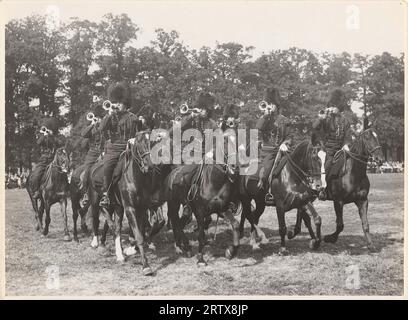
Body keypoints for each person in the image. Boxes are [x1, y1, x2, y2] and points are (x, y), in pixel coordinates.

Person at [98, 82, 146, 207]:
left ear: (125, 104)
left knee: (147, 163)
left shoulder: (133, 117)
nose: (117, 105)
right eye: (115, 102)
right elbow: (102, 128)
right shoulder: (110, 116)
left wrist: (135, 139)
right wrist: (109, 114)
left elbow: (140, 133)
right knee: (108, 168)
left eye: (119, 103)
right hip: (114, 149)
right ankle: (106, 194)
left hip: (129, 148)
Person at [312, 88, 352, 200]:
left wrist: (346, 144)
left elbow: (348, 135)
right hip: (328, 149)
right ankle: (323, 190)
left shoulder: (345, 120)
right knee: (326, 167)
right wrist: (320, 119)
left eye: (334, 106)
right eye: (331, 105)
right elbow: (315, 128)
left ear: (339, 107)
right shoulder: (326, 118)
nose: (333, 108)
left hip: (341, 150)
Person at [256, 87, 293, 206]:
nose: (270, 106)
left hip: (282, 151)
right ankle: (267, 193)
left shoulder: (284, 120)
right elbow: (259, 127)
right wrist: (266, 115)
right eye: (269, 104)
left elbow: (290, 136)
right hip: (268, 152)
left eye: (272, 104)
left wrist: (285, 143)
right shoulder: (264, 118)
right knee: (266, 171)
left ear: (277, 105)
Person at [30, 117, 65, 199]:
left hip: (55, 159)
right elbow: (38, 143)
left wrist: (52, 136)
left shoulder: (55, 137)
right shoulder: (42, 137)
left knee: (64, 172)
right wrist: (44, 135)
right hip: (44, 160)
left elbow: (60, 143)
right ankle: (36, 191)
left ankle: (66, 189)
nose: (46, 130)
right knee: (36, 175)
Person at [80, 103, 105, 205]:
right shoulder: (91, 128)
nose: (97, 119)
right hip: (92, 154)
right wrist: (92, 124)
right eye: (96, 117)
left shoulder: (104, 127)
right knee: (86, 172)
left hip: (103, 153)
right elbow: (83, 134)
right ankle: (86, 193)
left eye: (99, 118)